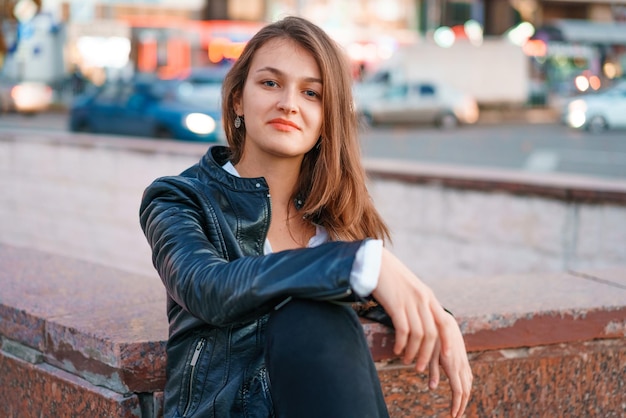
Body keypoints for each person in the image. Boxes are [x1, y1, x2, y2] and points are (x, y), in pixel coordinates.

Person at [139, 16, 472, 418]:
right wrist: (361, 261)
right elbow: (208, 287)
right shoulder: (179, 198)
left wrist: (437, 317)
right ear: (237, 100)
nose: (289, 104)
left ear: (327, 117)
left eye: (311, 93)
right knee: (307, 317)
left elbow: (378, 297)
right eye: (270, 83)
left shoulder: (334, 218)